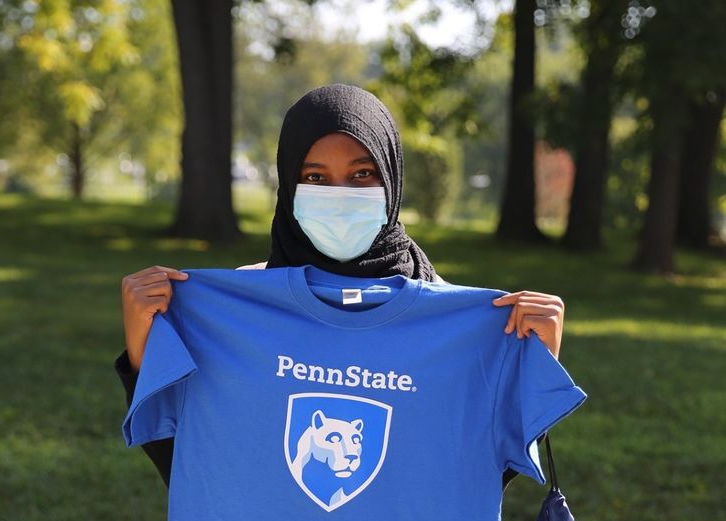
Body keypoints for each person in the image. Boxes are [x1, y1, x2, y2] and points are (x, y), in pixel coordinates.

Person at [115, 83, 566, 491]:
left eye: (361, 174)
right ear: (288, 183)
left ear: (391, 178)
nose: (339, 193)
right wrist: (142, 349)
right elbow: (197, 469)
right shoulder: (238, 312)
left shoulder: (453, 323)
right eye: (314, 178)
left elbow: (472, 480)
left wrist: (537, 364)